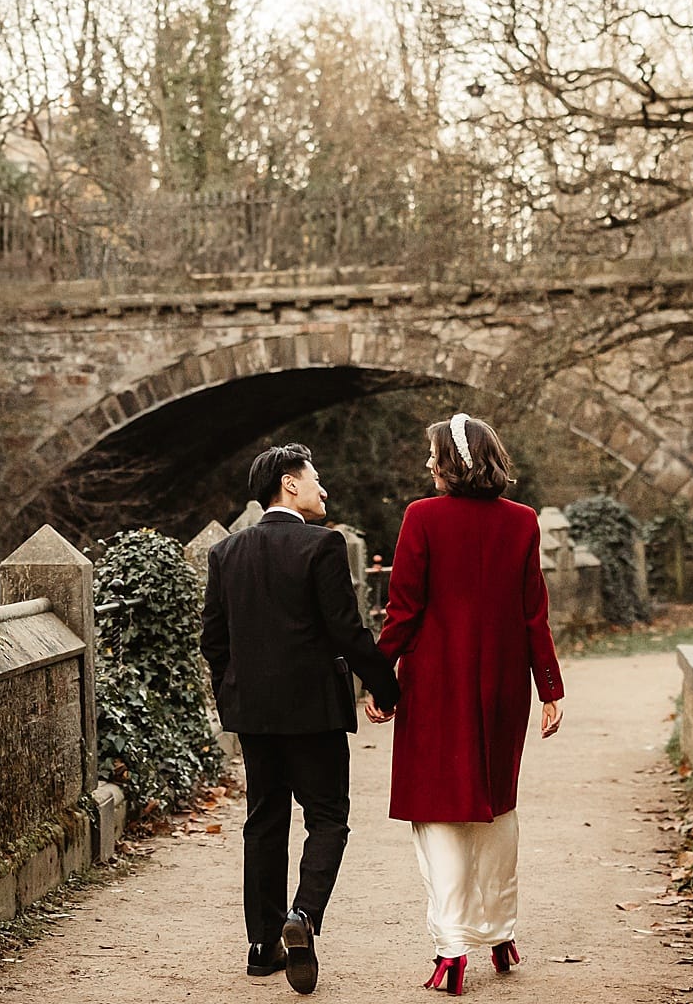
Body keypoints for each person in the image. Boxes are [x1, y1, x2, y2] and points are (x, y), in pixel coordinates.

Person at [370, 412, 565, 996]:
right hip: (503, 680)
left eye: (433, 455)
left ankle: (452, 948)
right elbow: (534, 611)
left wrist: (380, 677)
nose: (428, 464)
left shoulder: (421, 518)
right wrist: (548, 687)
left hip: (436, 680)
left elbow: (403, 609)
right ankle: (500, 933)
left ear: (452, 462)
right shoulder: (522, 521)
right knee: (494, 802)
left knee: (440, 809)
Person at [201, 443, 400, 995]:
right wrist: (387, 687)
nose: (324, 491)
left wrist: (235, 698)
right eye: (316, 480)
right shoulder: (323, 545)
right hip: (314, 712)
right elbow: (346, 630)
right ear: (289, 484)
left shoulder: (228, 553)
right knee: (328, 817)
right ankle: (304, 917)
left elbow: (213, 642)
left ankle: (262, 947)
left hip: (254, 717)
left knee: (264, 822)